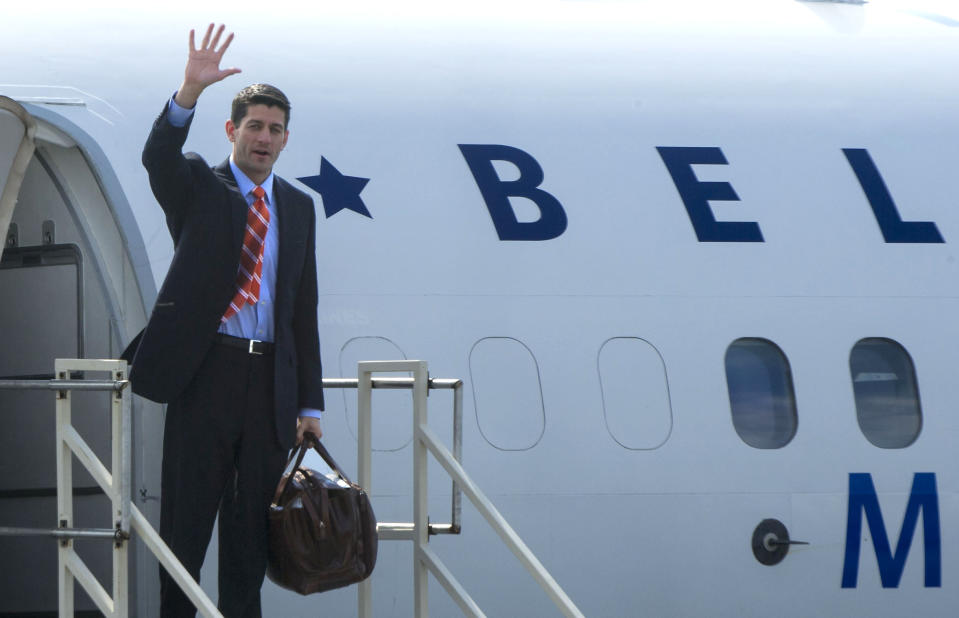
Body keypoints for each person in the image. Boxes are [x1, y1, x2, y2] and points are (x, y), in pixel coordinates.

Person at [121, 24, 325, 617]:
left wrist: (308, 406)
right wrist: (188, 91)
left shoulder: (297, 206)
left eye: (275, 129)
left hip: (269, 387)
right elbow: (157, 156)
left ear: (287, 140)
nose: (264, 138)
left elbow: (301, 310)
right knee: (185, 530)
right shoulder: (198, 189)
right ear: (232, 130)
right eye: (254, 126)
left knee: (250, 540)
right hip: (206, 372)